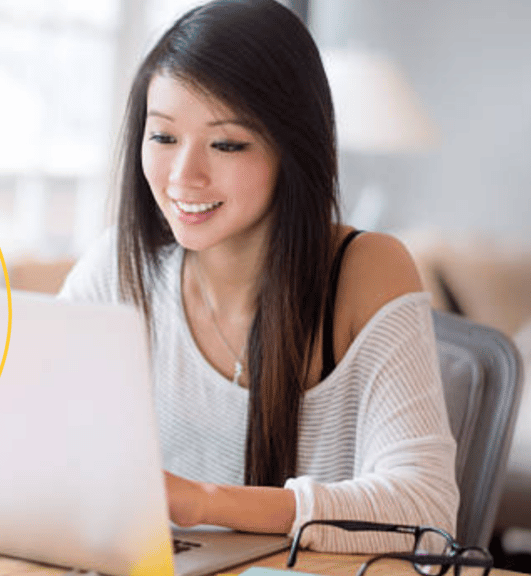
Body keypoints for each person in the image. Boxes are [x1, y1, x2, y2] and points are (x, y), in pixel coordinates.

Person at [58, 0, 459, 553]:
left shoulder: (366, 271)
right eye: (164, 137)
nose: (183, 176)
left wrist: (203, 501)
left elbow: (426, 511)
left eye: (226, 144)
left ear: (292, 149)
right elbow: (37, 439)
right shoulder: (121, 266)